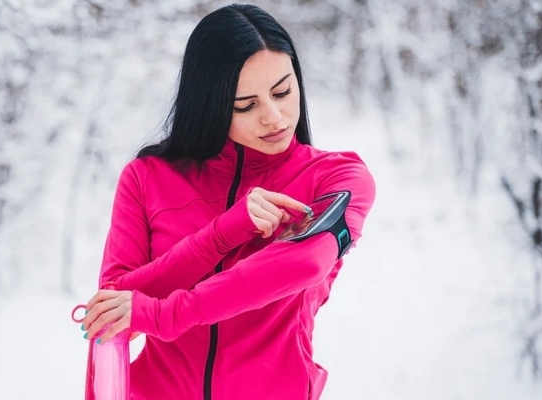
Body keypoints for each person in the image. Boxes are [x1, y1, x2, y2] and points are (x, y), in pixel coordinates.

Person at [79, 3, 376, 400]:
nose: (274, 117)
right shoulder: (147, 177)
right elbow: (113, 313)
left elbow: (305, 262)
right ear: (209, 105)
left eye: (283, 91)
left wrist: (163, 315)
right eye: (246, 105)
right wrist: (223, 233)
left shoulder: (335, 177)